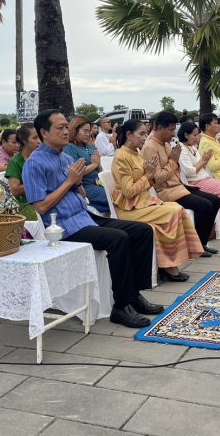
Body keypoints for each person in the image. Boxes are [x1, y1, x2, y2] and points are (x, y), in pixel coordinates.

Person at [24, 110, 163, 328]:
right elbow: (41, 206)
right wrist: (70, 182)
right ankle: (120, 306)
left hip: (84, 216)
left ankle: (134, 295)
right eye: (59, 128)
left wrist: (77, 184)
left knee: (142, 231)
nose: (65, 131)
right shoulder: (34, 164)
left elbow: (78, 192)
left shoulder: (66, 158)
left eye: (65, 126)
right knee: (118, 239)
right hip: (63, 226)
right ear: (44, 132)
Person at [111, 119, 204, 278]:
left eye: (145, 134)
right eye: (141, 134)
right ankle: (168, 265)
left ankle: (169, 263)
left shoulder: (137, 154)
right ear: (129, 135)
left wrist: (151, 176)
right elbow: (129, 192)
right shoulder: (121, 157)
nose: (143, 137)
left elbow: (147, 184)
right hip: (129, 208)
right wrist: (148, 175)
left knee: (177, 210)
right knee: (174, 211)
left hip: (143, 203)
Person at [142, 111, 220, 256]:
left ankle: (202, 243)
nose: (173, 134)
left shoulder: (165, 145)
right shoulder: (150, 148)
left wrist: (174, 162)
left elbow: (174, 169)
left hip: (178, 186)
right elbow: (157, 178)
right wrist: (173, 161)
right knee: (205, 206)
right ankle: (196, 246)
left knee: (215, 200)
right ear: (160, 128)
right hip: (166, 191)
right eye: (171, 130)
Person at [177, 122, 220, 235]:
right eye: (195, 135)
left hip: (204, 178)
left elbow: (202, 166)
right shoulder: (182, 149)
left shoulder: (192, 148)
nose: (197, 138)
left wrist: (205, 161)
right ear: (186, 135)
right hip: (195, 182)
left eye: (198, 134)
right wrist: (204, 161)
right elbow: (190, 172)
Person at [64, 116, 109, 215]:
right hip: (85, 186)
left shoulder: (89, 146)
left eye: (89, 131)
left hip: (99, 182)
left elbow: (99, 167)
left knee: (119, 192)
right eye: (85, 131)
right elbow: (75, 172)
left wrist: (99, 165)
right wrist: (94, 165)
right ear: (75, 130)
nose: (88, 134)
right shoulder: (69, 147)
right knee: (112, 196)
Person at [5, 123, 40, 221]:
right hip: (26, 205)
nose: (39, 141)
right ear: (24, 140)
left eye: (40, 137)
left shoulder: (43, 158)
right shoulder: (16, 162)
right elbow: (14, 190)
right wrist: (38, 182)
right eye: (35, 138)